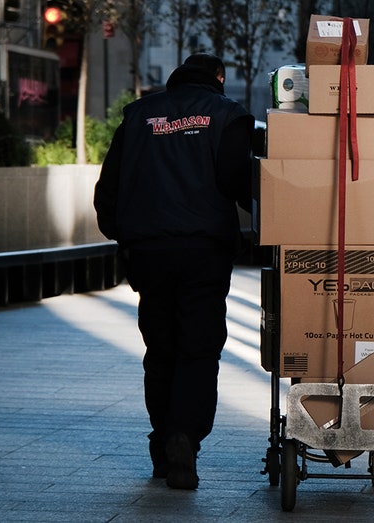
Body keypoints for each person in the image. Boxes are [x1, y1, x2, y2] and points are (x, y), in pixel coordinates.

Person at [93, 53, 254, 490]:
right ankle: (184, 437)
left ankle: (162, 444)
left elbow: (108, 190)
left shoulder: (139, 114)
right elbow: (240, 184)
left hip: (149, 252)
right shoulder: (228, 116)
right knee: (198, 349)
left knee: (160, 348)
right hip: (204, 250)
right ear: (219, 78)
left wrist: (126, 234)